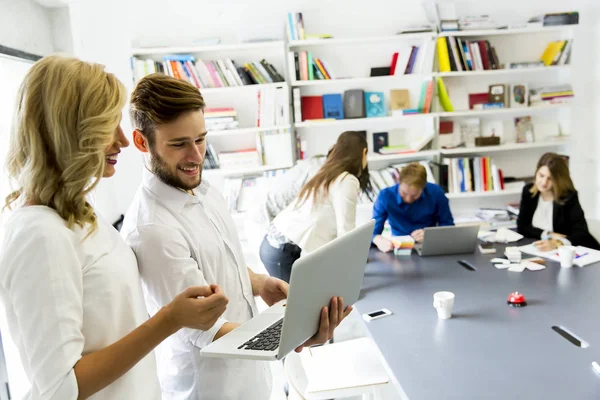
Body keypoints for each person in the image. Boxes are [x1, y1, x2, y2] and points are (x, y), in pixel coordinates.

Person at [0, 56, 228, 400]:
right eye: (109, 126)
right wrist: (168, 320)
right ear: (72, 131)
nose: (122, 140)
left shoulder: (77, 215)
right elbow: (62, 388)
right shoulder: (39, 233)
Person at [121, 73, 351, 400]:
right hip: (213, 391)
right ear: (142, 142)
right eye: (178, 144)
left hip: (252, 381)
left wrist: (257, 282)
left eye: (200, 139)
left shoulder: (203, 188)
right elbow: (209, 331)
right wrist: (298, 332)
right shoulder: (152, 229)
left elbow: (215, 262)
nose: (196, 155)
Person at [259, 131, 370, 282]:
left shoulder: (327, 173)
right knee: (299, 303)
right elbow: (346, 232)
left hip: (275, 245)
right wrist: (352, 272)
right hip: (283, 249)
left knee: (306, 299)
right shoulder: (346, 180)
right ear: (364, 152)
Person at [517, 152, 600, 251]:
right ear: (536, 172)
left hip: (574, 252)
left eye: (550, 179)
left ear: (558, 180)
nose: (544, 183)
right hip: (540, 250)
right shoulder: (529, 192)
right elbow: (522, 227)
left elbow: (581, 233)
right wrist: (548, 234)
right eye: (541, 175)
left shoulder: (568, 196)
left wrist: (557, 243)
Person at [372, 162, 454, 252]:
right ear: (398, 182)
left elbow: (448, 226)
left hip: (429, 246)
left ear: (423, 187)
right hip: (399, 247)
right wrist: (378, 240)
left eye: (414, 196)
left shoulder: (436, 193)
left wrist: (431, 235)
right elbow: (373, 230)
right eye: (403, 194)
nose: (408, 199)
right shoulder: (385, 196)